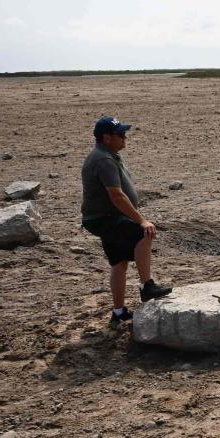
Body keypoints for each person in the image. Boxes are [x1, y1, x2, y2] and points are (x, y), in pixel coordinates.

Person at [81, 116, 172, 323]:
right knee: (143, 234)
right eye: (120, 134)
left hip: (104, 217)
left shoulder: (107, 155)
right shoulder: (103, 159)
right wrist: (142, 220)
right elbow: (116, 195)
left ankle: (119, 312)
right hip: (105, 217)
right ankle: (147, 286)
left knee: (119, 261)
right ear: (107, 137)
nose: (125, 137)